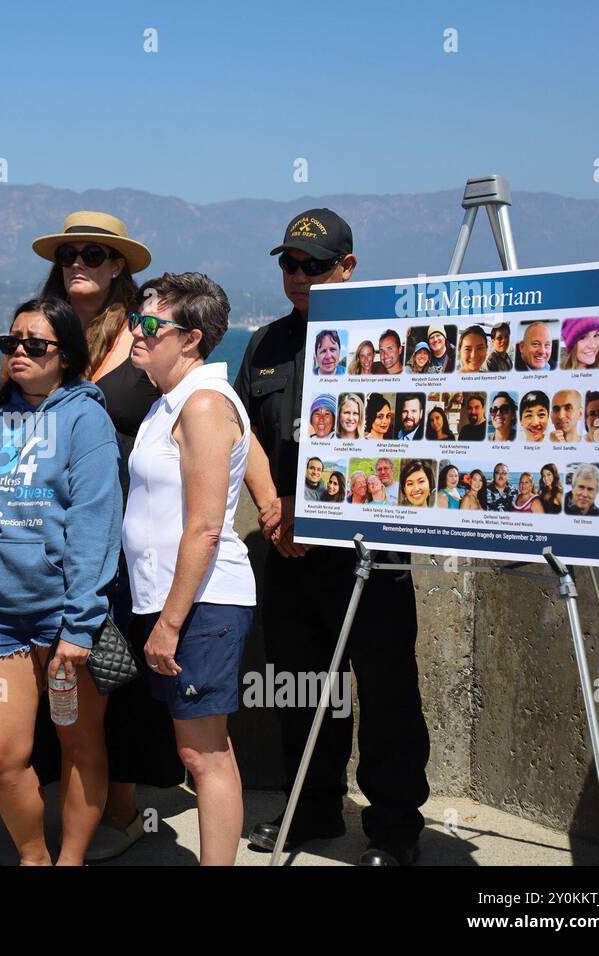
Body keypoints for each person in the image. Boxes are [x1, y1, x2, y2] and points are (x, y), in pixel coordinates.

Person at [236, 208, 429, 866]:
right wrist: (273, 506)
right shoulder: (264, 345)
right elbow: (247, 439)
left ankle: (395, 831)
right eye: (289, 264)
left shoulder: (391, 340)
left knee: (385, 691)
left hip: (369, 552)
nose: (298, 276)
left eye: (313, 265)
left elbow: (413, 446)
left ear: (348, 267)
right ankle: (313, 811)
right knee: (301, 689)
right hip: (288, 550)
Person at [29, 211, 176, 860]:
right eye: (69, 254)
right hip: (49, 537)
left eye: (94, 253)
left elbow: (185, 411)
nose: (79, 263)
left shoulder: (143, 336)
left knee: (119, 675)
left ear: (120, 266)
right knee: (62, 678)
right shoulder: (42, 333)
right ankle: (73, 810)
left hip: (127, 537)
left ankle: (120, 809)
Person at [0, 296, 121, 867]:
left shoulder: (85, 418)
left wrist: (79, 624)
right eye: (12, 342)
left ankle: (71, 859)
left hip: (64, 617)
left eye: (35, 344)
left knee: (78, 745)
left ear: (67, 355)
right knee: (1, 755)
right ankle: (34, 857)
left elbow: (94, 525)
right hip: (3, 616)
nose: (20, 352)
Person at [121, 272, 255, 865]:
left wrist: (170, 623)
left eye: (152, 325)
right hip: (174, 600)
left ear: (192, 339)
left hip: (202, 601)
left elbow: (203, 526)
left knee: (206, 754)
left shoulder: (202, 405)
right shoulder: (168, 403)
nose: (138, 333)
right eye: (136, 320)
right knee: (195, 748)